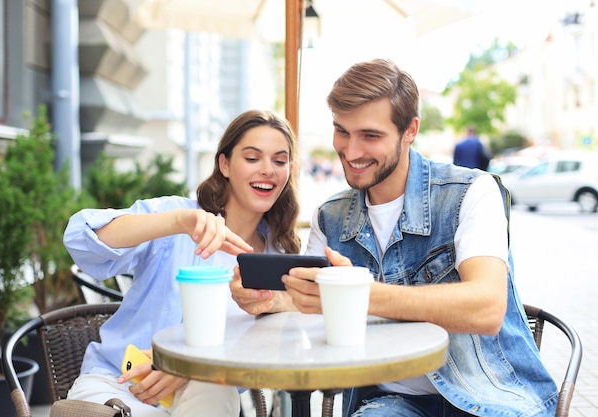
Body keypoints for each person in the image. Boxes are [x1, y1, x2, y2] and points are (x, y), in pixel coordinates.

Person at [231, 59, 558, 416]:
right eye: (342, 131)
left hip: (492, 396)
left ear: (410, 130)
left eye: (370, 136)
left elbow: (488, 307)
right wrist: (272, 301)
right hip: (391, 404)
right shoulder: (330, 216)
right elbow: (313, 307)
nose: (351, 152)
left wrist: (357, 294)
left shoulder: (470, 192)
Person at [63, 109, 301, 417]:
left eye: (279, 161)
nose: (267, 170)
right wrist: (179, 222)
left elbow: (272, 348)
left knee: (216, 385)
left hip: (204, 395)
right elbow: (80, 238)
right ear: (225, 164)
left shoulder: (279, 258)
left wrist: (188, 366)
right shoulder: (179, 218)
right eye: (253, 158)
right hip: (118, 386)